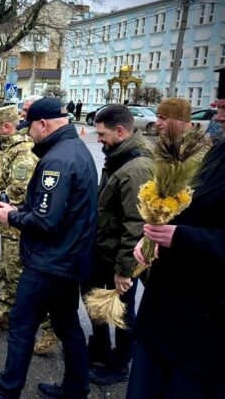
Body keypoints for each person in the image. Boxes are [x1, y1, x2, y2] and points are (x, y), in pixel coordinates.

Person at [0, 97, 98, 399]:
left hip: (49, 262)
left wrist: (11, 215)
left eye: (31, 128)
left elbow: (45, 220)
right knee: (68, 327)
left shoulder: (57, 161)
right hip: (69, 259)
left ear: (43, 124)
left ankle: (7, 389)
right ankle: (76, 387)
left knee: (22, 324)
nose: (28, 135)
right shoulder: (76, 150)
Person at [127, 104, 225, 399]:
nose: (216, 104)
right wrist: (154, 237)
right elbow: (190, 207)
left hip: (204, 324)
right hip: (167, 309)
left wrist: (181, 238)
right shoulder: (219, 151)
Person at [82, 104, 153, 386]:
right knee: (97, 303)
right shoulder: (119, 156)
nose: (98, 139)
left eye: (101, 134)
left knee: (122, 312)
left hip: (118, 258)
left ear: (120, 131)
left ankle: (121, 363)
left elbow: (136, 225)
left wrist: (125, 270)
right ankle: (100, 349)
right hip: (104, 250)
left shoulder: (136, 168)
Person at [0, 105, 37, 330]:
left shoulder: (23, 152)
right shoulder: (6, 148)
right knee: (5, 269)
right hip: (7, 221)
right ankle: (6, 313)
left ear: (7, 126)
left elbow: (18, 190)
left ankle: (41, 324)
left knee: (17, 272)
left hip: (17, 224)